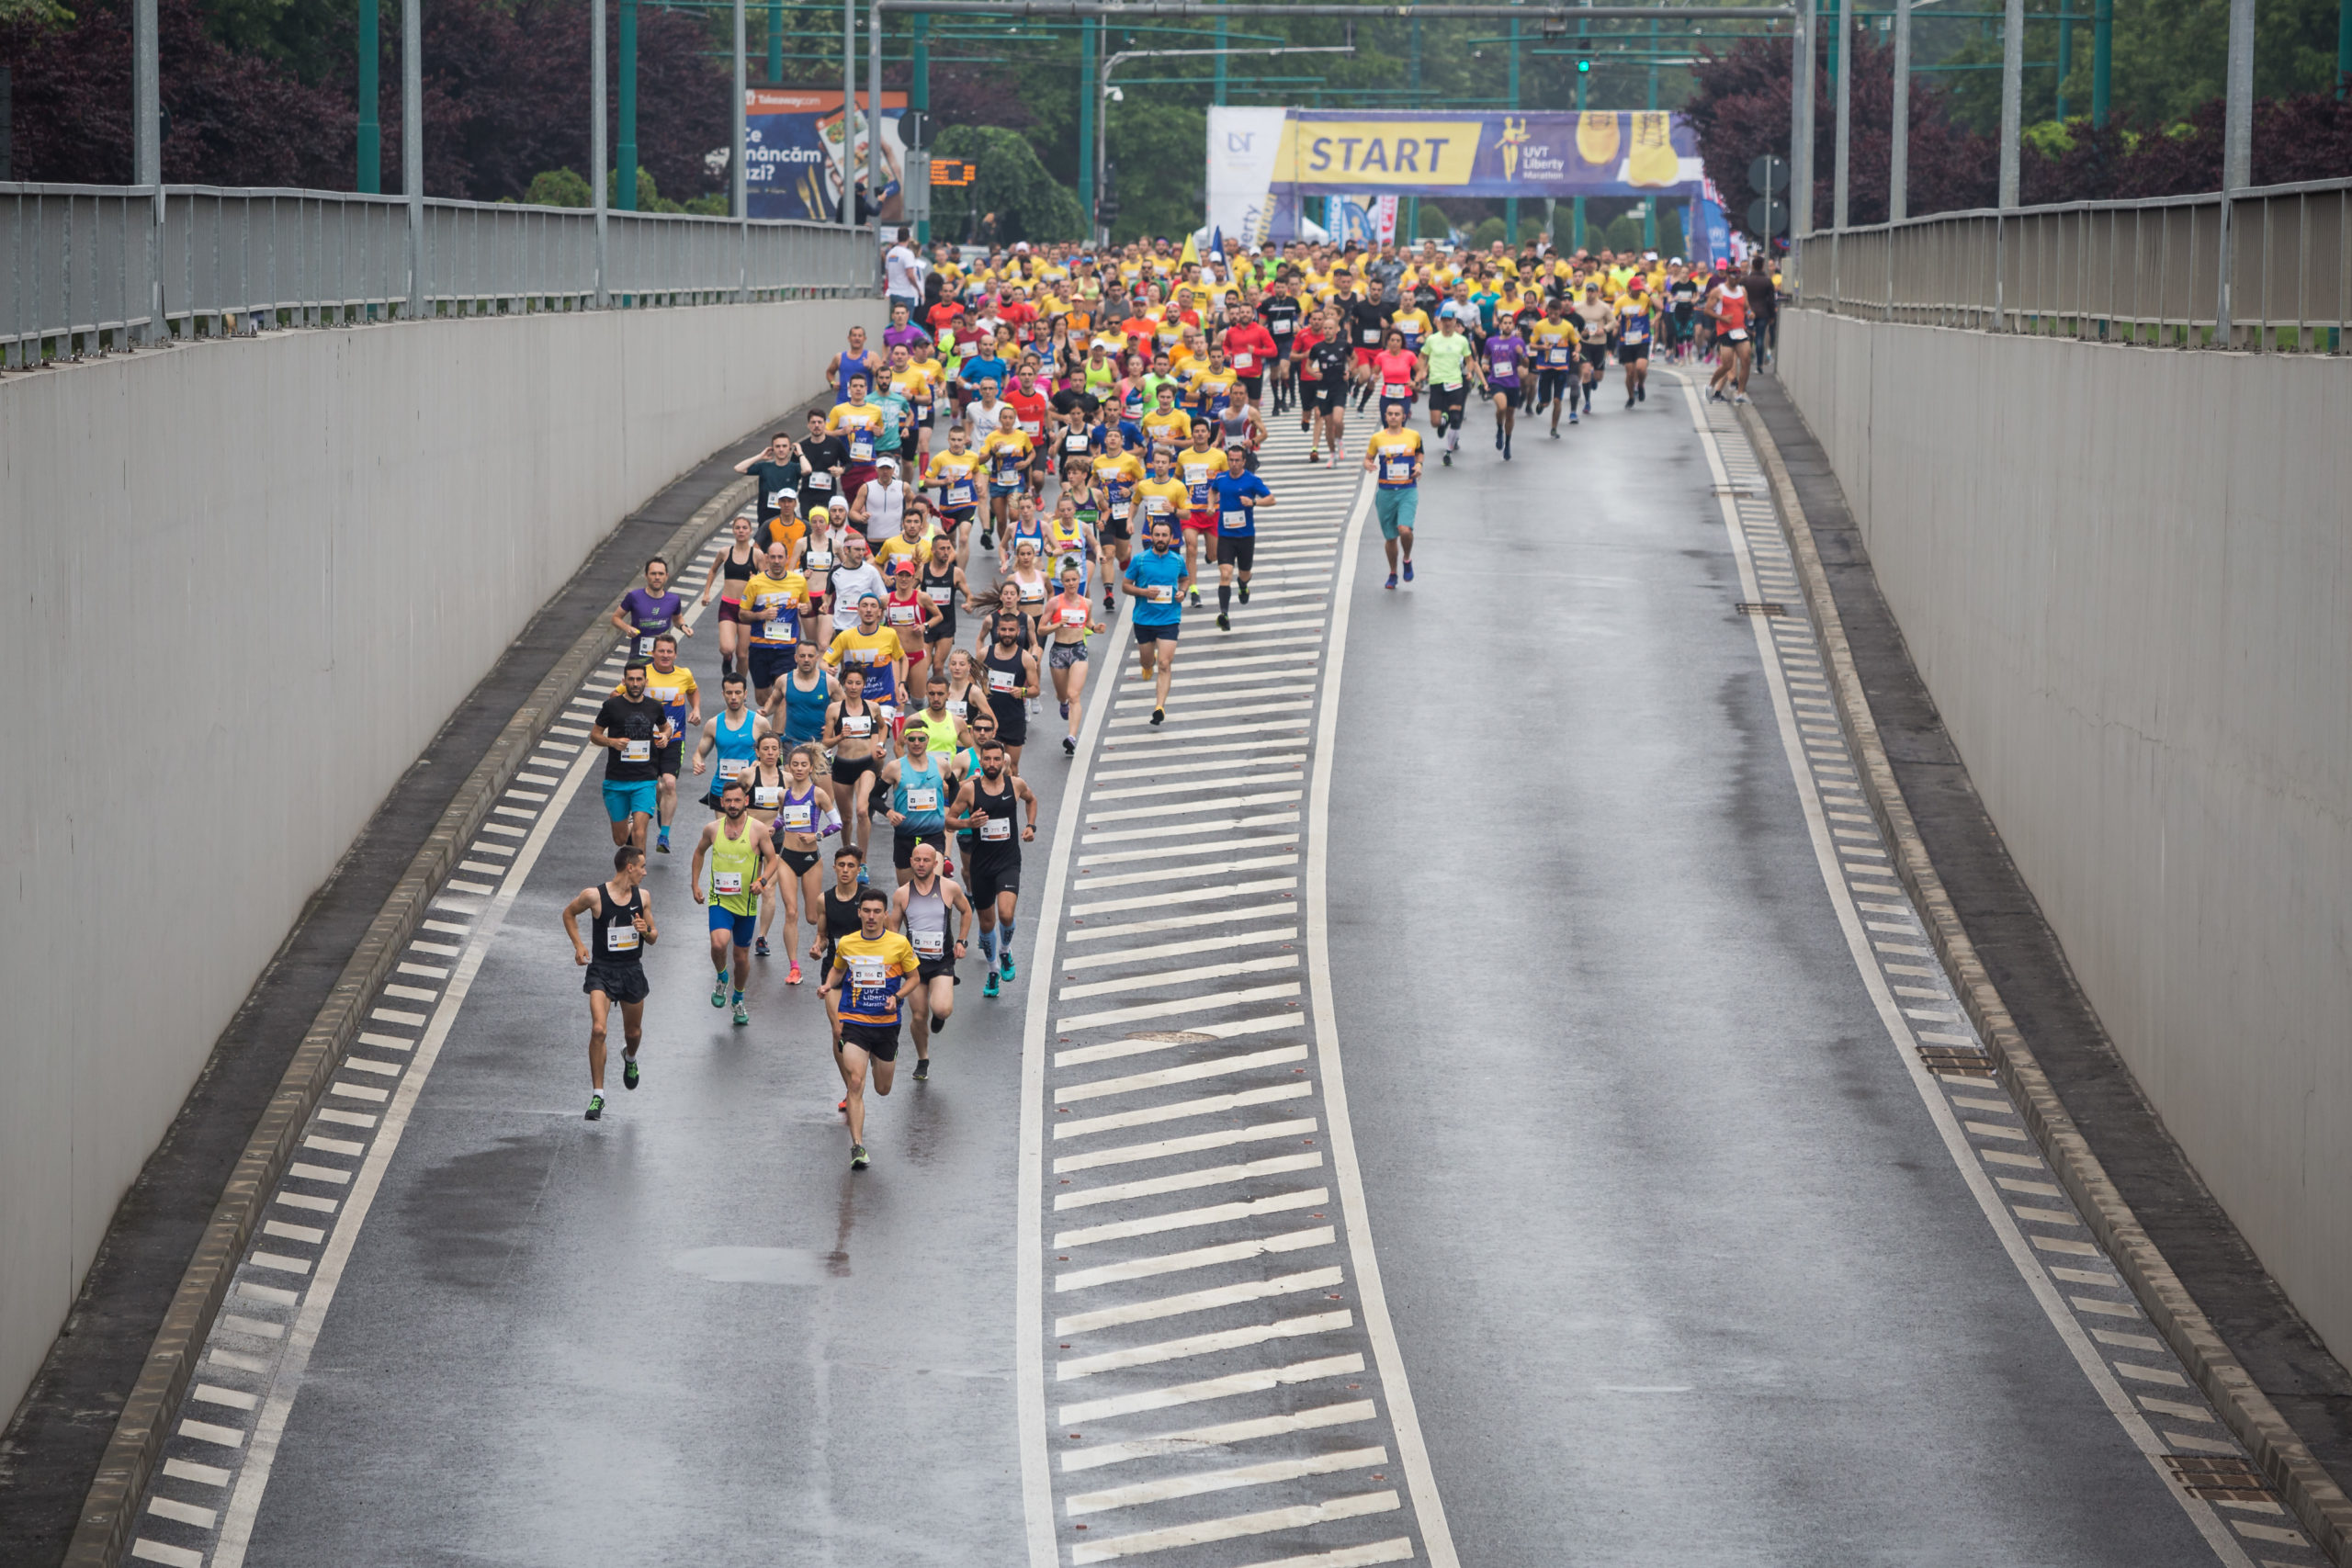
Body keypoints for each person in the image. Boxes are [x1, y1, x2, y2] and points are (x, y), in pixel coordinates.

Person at [824, 886, 921, 1170]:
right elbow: (838, 968)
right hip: (855, 1020)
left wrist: (898, 997)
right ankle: (857, 1145)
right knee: (855, 1082)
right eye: (866, 911)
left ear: (885, 914)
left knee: (882, 1088)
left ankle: (881, 1059)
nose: (871, 916)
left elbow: (914, 978)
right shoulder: (848, 944)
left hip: (887, 1025)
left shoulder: (899, 944)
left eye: (877, 911)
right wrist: (828, 984)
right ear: (859, 913)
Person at [562, 846, 656, 1122]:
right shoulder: (595, 896)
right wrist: (579, 945)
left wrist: (645, 930)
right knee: (599, 1029)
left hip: (631, 971)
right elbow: (568, 914)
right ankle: (598, 1096)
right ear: (629, 867)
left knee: (634, 1033)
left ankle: (629, 1058)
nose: (645, 871)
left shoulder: (643, 897)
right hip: (602, 971)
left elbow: (654, 936)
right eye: (642, 866)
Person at [945, 738, 1035, 998]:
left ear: (1004, 760)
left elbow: (1032, 800)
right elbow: (950, 820)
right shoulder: (970, 790)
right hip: (981, 865)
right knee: (986, 923)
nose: (992, 763)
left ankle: (1005, 951)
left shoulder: (1015, 784)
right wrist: (969, 824)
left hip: (1008, 861)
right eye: (987, 759)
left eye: (997, 759)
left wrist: (1031, 826)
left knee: (1006, 914)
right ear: (981, 761)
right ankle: (993, 969)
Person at [689, 778, 779, 1027]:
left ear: (746, 801)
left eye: (737, 800)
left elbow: (772, 861)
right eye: (727, 800)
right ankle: (721, 977)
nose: (732, 804)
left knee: (741, 957)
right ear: (722, 802)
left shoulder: (758, 829)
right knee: (719, 943)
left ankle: (738, 997)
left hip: (747, 904)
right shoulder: (713, 829)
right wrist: (695, 884)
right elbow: (699, 852)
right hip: (720, 899)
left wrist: (761, 881)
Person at [888, 840, 973, 1081]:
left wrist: (962, 941)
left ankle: (940, 1016)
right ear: (911, 862)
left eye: (927, 860)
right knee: (917, 1015)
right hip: (913, 964)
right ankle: (923, 1059)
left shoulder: (949, 888)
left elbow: (966, 911)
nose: (922, 864)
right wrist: (892, 957)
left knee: (942, 1008)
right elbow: (894, 926)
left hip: (941, 961)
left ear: (936, 863)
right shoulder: (902, 893)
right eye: (917, 859)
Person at [628, 633, 700, 854]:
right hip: (643, 740)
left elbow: (693, 691)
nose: (666, 655)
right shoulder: (642, 674)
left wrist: (696, 708)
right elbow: (620, 692)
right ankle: (652, 807)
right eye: (661, 651)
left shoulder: (684, 675)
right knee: (650, 785)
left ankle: (664, 836)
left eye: (670, 651)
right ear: (653, 653)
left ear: (675, 654)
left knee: (669, 783)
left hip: (673, 738)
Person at [591, 662, 673, 852]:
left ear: (646, 681)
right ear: (624, 681)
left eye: (639, 679)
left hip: (645, 779)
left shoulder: (654, 706)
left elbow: (665, 726)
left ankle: (636, 878)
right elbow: (594, 735)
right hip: (616, 780)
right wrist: (612, 742)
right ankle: (630, 822)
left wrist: (665, 737)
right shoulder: (612, 706)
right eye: (631, 679)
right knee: (620, 839)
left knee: (640, 832)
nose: (635, 683)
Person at [1122, 516, 1189, 725]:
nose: (1160, 539)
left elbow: (1185, 579)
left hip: (1169, 619)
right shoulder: (1140, 560)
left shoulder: (1177, 561)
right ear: (1152, 536)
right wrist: (1143, 592)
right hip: (1144, 620)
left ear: (1171, 538)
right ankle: (1146, 665)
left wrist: (1183, 592)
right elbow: (1125, 585)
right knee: (1148, 661)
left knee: (1165, 664)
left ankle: (1159, 707)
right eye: (1157, 535)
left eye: (1164, 535)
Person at [822, 663, 888, 867]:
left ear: (864, 685)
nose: (853, 687)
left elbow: (883, 727)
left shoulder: (872, 707)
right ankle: (846, 855)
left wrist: (879, 745)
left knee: (861, 811)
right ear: (843, 683)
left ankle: (863, 863)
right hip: (842, 766)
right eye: (849, 682)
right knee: (847, 818)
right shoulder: (835, 709)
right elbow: (825, 741)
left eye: (858, 683)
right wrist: (840, 737)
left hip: (865, 766)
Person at [1204, 439, 1274, 631]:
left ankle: (1243, 585)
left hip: (1245, 536)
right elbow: (1212, 491)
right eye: (1231, 460)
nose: (1233, 464)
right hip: (1225, 535)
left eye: (1237, 460)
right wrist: (1211, 505)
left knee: (1244, 573)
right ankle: (1224, 613)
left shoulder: (1252, 480)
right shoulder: (1221, 478)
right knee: (1225, 573)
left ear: (1244, 461)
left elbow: (1271, 499)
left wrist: (1253, 503)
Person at [876, 721, 952, 886]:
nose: (916, 743)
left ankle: (943, 909)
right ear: (905, 740)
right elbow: (873, 797)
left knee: (933, 887)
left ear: (927, 739)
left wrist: (951, 815)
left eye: (920, 739)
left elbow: (956, 788)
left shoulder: (941, 765)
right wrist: (888, 812)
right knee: (908, 896)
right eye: (911, 739)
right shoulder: (894, 768)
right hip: (905, 838)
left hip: (933, 837)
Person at [740, 539, 808, 715]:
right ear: (767, 559)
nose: (777, 561)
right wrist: (760, 615)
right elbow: (742, 614)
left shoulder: (799, 582)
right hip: (760, 647)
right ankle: (773, 731)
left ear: (786, 558)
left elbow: (807, 606)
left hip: (786, 648)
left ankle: (778, 736)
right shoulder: (755, 583)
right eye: (773, 557)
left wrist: (807, 608)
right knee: (762, 698)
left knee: (783, 694)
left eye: (780, 557)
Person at [1041, 562, 1102, 753]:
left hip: (1078, 650)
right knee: (1063, 694)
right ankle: (1062, 703)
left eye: (1074, 580)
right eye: (1067, 580)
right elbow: (1041, 628)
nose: (1071, 583)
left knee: (1074, 694)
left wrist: (1095, 628)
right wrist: (1057, 625)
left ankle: (1072, 737)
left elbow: (1089, 621)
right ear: (1062, 582)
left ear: (1079, 581)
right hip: (1059, 651)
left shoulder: (1087, 603)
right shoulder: (1055, 603)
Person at [1363, 401, 1424, 591]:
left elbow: (1419, 454)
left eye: (1397, 414)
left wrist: (1419, 466)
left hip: (1407, 490)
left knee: (1405, 529)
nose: (1393, 417)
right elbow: (1368, 458)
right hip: (1386, 492)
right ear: (1386, 416)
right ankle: (1393, 572)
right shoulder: (1377, 438)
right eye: (1390, 414)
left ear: (1403, 416)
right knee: (1390, 538)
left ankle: (1407, 558)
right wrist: (1368, 465)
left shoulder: (1413, 436)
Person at [690, 671, 768, 813]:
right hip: (721, 789)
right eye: (729, 693)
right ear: (723, 694)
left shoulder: (759, 723)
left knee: (749, 833)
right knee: (724, 834)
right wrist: (697, 762)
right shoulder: (713, 724)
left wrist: (762, 763)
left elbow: (777, 754)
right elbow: (699, 753)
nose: (733, 697)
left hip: (750, 789)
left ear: (745, 694)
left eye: (738, 693)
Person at [699, 512, 762, 682]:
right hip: (728, 605)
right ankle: (727, 659)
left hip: (747, 608)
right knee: (727, 648)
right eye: (738, 528)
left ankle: (739, 685)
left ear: (750, 531)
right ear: (733, 531)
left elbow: (767, 580)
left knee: (742, 654)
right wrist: (706, 593)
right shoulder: (725, 552)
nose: (741, 531)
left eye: (744, 528)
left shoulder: (757, 555)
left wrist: (756, 580)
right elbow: (713, 570)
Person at [980, 609, 1040, 773]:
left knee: (1012, 767)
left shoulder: (1025, 658)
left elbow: (1035, 689)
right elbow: (971, 683)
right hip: (990, 719)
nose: (1007, 633)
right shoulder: (985, 654)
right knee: (990, 766)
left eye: (1011, 630)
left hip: (1014, 719)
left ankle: (1012, 795)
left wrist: (1023, 691)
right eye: (1003, 629)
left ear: (1018, 632)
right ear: (997, 630)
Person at [1420, 310, 1480, 463]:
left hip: (1455, 382)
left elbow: (1469, 359)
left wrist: (1469, 372)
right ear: (1441, 322)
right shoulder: (1432, 339)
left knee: (1456, 417)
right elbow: (1423, 356)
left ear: (1454, 321)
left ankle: (1448, 452)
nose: (1447, 323)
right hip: (1436, 382)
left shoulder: (1461, 340)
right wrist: (1421, 371)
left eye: (1450, 320)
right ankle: (1442, 422)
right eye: (1444, 320)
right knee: (1435, 422)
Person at [612, 557, 690, 662]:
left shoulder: (673, 599)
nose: (657, 577)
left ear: (666, 576)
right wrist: (627, 628)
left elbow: (677, 618)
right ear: (646, 576)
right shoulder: (634, 597)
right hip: (639, 659)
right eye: (653, 574)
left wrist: (683, 626)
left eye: (661, 574)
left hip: (663, 659)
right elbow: (616, 618)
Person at [1483, 312, 1530, 460]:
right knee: (1501, 407)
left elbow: (1526, 364)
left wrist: (1522, 354)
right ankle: (1499, 429)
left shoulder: (1518, 343)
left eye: (1510, 323)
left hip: (1513, 383)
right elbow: (1485, 357)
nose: (1508, 325)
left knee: (1510, 414)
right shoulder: (1491, 341)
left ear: (1513, 326)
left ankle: (1508, 442)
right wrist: (1484, 365)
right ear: (1500, 325)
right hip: (1496, 381)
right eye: (1505, 323)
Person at [1616, 281, 1656, 407]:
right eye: (1636, 289)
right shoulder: (1621, 301)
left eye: (1640, 289)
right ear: (1629, 289)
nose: (1639, 292)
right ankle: (1631, 397)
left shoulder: (1645, 298)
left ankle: (1641, 384)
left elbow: (1660, 307)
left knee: (1641, 368)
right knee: (1630, 373)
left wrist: (1650, 294)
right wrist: (1614, 325)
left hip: (1642, 339)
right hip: (1626, 341)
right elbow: (1612, 315)